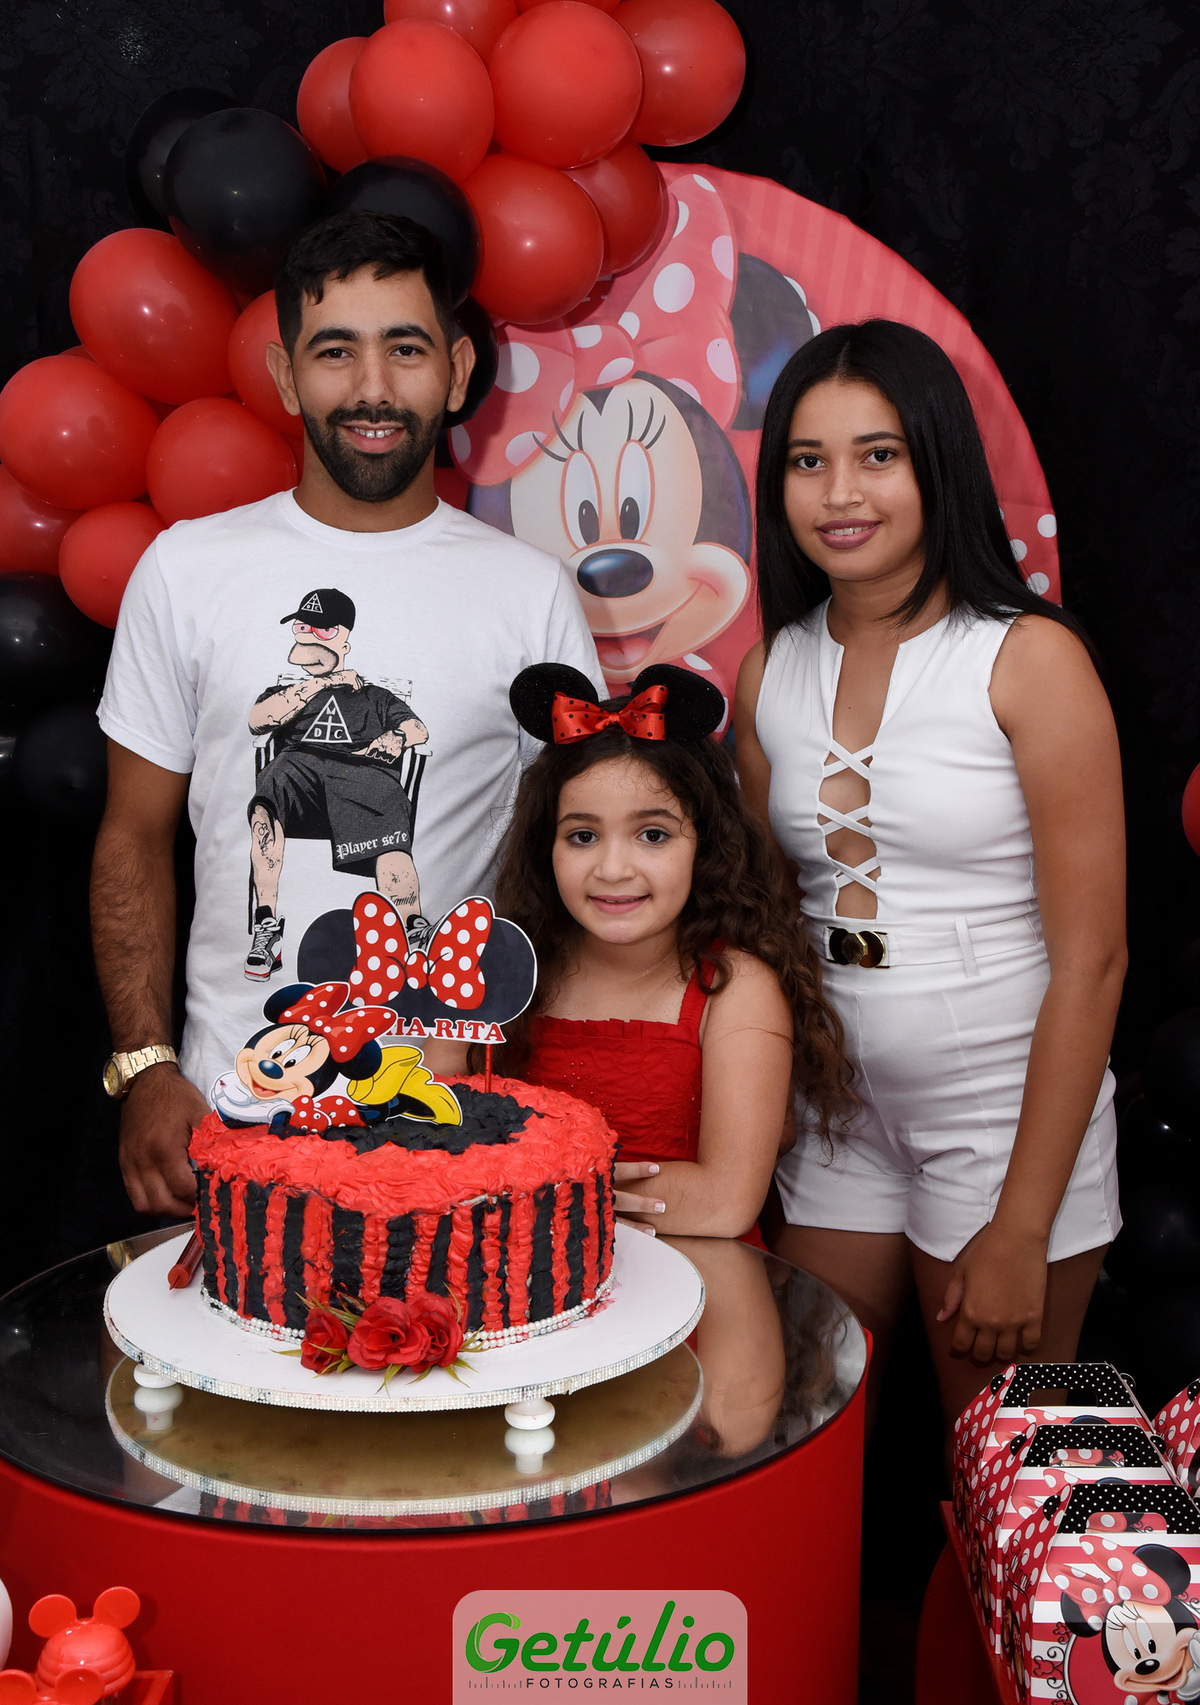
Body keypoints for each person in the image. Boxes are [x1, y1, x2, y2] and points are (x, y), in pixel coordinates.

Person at [91, 210, 602, 1219]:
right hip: (232, 1103)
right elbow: (132, 835)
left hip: (445, 1111)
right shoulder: (187, 570)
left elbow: (575, 848)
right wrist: (145, 1065)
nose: (372, 387)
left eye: (405, 349)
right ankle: (269, 929)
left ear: (457, 372)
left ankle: (404, 932)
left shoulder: (529, 593)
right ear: (286, 377)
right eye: (335, 352)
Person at [733, 319, 1125, 1434]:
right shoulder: (771, 669)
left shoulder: (1029, 658)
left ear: (937, 462)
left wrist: (1023, 1224)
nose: (839, 493)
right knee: (796, 1426)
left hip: (1003, 1109)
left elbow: (1095, 960)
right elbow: (763, 919)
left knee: (999, 1463)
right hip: (837, 1108)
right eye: (808, 460)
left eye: (878, 454)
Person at [489, 660, 847, 1238]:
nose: (613, 868)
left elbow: (723, 1203)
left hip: (697, 1275)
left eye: (653, 835)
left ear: (706, 846)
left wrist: (523, 1189)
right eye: (582, 836)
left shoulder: (735, 987)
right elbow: (439, 1149)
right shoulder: (503, 974)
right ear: (544, 848)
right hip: (520, 1276)